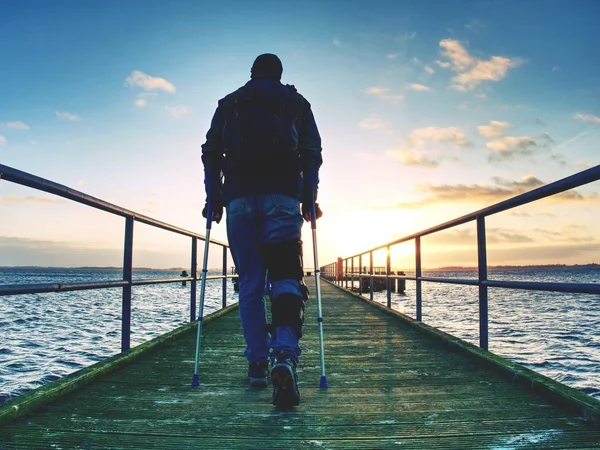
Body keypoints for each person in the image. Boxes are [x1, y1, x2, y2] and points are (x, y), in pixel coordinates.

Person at [200, 53, 322, 407]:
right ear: (280, 75)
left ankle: (256, 363)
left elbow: (211, 153)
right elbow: (311, 153)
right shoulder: (296, 102)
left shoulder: (230, 102)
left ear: (251, 73)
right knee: (285, 277)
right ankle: (283, 355)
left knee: (251, 283)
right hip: (282, 198)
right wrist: (308, 198)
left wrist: (214, 198)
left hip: (239, 200)